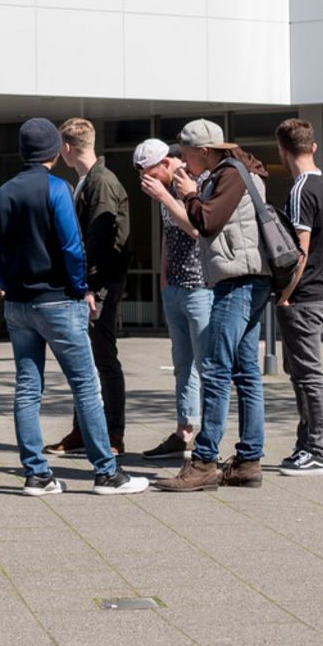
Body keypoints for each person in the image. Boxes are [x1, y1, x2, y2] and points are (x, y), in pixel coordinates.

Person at [0, 118, 146, 497]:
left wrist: (8, 283)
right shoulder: (58, 189)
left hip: (19, 305)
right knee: (86, 386)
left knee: (27, 388)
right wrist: (78, 287)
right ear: (55, 152)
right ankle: (106, 472)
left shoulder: (2, 194)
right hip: (58, 300)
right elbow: (72, 248)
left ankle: (37, 475)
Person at [143, 119, 273, 491]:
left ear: (203, 151)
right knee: (246, 371)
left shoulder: (230, 173)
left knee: (215, 368)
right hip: (248, 279)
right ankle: (248, 460)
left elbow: (207, 222)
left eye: (185, 152)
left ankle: (203, 463)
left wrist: (186, 193)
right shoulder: (236, 171)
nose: (181, 160)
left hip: (237, 282)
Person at [45, 118, 130, 456]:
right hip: (95, 283)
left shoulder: (101, 183)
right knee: (89, 359)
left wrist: (89, 286)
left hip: (101, 284)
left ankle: (111, 434)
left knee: (102, 358)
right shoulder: (88, 180)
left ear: (66, 148)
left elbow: (101, 240)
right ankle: (85, 430)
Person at [134, 138, 207, 461]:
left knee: (207, 365)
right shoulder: (163, 191)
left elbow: (195, 228)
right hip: (175, 287)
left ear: (166, 163)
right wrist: (163, 276)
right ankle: (184, 432)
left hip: (201, 287)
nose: (146, 180)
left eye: (150, 172)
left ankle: (209, 436)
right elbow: (169, 233)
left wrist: (166, 196)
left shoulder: (194, 183)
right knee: (183, 365)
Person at [275, 118, 323, 476]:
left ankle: (317, 449)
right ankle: (307, 446)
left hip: (303, 295)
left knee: (308, 374)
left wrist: (285, 294)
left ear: (283, 150)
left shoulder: (301, 190)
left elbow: (300, 250)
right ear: (312, 146)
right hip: (318, 291)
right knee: (301, 373)